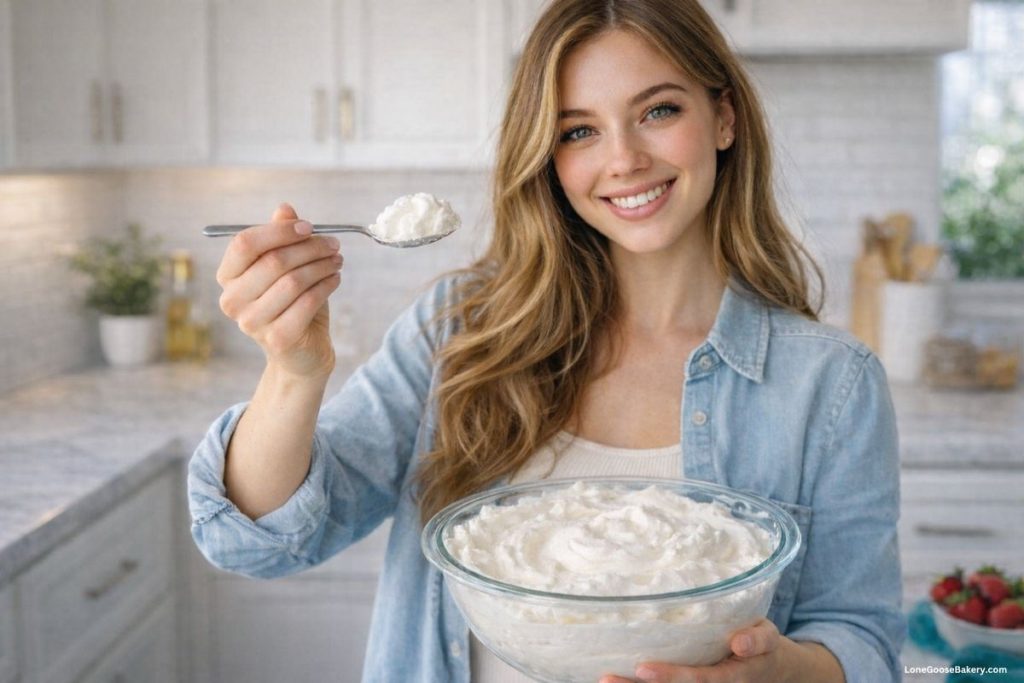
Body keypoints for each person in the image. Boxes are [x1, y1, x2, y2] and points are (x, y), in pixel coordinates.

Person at [188, 0, 905, 681]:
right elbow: (258, 541)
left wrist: (779, 671)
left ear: (723, 117)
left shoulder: (830, 384)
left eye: (658, 110)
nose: (622, 159)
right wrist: (293, 370)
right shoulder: (460, 331)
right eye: (578, 130)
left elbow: (862, 642)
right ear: (548, 156)